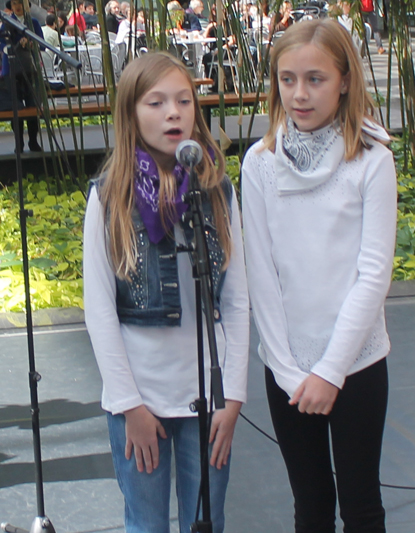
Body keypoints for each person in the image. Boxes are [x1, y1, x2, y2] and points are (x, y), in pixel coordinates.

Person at [241, 19, 397, 533]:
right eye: (287, 79)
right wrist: (288, 370)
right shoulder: (259, 164)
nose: (299, 94)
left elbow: (372, 273)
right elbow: (260, 272)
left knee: (361, 506)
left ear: (345, 80)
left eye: (315, 79)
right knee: (310, 506)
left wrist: (331, 371)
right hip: (286, 368)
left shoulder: (372, 158)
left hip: (356, 363)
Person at [83, 52, 249, 533]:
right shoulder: (110, 194)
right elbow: (99, 311)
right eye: (155, 102)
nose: (173, 112)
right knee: (146, 524)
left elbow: (236, 300)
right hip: (140, 399)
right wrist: (130, 405)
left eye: (183, 100)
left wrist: (233, 396)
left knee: (207, 521)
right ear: (131, 113)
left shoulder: (217, 189)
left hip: (207, 401)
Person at [0, 0, 44, 151]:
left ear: (27, 5)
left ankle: (33, 141)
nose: (17, 6)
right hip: (11, 69)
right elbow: (2, 45)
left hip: (30, 68)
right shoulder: (7, 22)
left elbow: (42, 44)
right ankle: (19, 143)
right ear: (11, 6)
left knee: (33, 105)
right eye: (14, 3)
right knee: (15, 107)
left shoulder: (33, 22)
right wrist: (18, 43)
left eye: (20, 3)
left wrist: (32, 43)